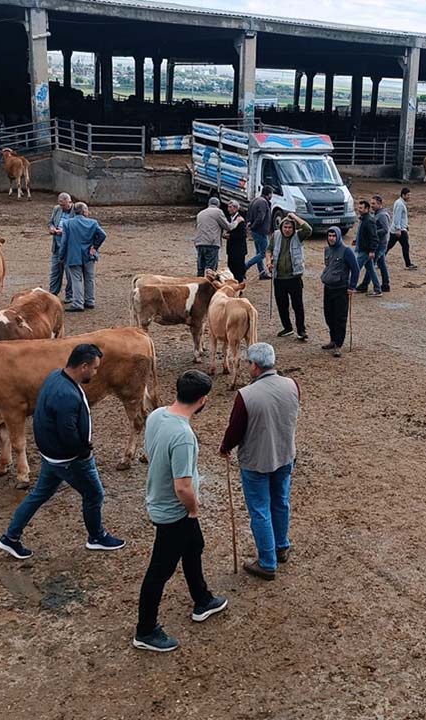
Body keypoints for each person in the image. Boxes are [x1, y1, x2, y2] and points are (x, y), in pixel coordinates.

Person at [0, 344, 124, 559]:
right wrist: (83, 452)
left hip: (51, 456)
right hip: (69, 459)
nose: (95, 372)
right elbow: (68, 432)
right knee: (94, 494)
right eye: (94, 368)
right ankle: (97, 537)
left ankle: (10, 537)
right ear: (83, 367)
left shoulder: (55, 376)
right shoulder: (67, 395)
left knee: (39, 495)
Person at [135, 370, 228, 653]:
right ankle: (145, 630)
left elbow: (150, 452)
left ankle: (203, 599)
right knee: (160, 570)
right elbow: (183, 486)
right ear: (202, 400)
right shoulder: (184, 436)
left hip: (162, 501)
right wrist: (194, 509)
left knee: (194, 546)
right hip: (174, 511)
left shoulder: (157, 415)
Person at [219, 342, 301, 579]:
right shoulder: (292, 385)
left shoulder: (246, 395)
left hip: (256, 461)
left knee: (260, 510)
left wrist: (225, 447)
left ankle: (267, 562)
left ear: (255, 366)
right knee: (281, 501)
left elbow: (235, 430)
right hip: (285, 455)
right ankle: (281, 546)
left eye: (248, 363)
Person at [266, 212, 311, 341]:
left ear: (293, 228)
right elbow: (268, 249)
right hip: (279, 277)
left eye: (290, 227)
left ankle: (301, 330)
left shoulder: (298, 236)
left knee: (298, 305)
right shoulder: (276, 235)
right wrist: (268, 261)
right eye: (285, 227)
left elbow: (308, 229)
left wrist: (294, 216)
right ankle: (287, 327)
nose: (287, 230)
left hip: (294, 277)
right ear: (281, 227)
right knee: (282, 305)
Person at [318, 225, 359, 356]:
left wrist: (352, 286)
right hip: (328, 287)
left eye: (334, 236)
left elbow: (355, 269)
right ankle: (333, 340)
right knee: (329, 316)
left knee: (340, 318)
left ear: (338, 236)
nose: (331, 238)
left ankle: (338, 345)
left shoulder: (346, 251)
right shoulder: (327, 250)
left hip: (341, 289)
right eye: (329, 236)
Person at [60, 202, 106, 312]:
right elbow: (103, 235)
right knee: (89, 278)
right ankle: (90, 300)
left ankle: (78, 303)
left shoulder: (67, 223)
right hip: (89, 255)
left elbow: (64, 242)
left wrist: (61, 255)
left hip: (73, 255)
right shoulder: (93, 223)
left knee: (76, 279)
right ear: (84, 211)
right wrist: (95, 247)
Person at [195, 196, 241, 277]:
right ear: (218, 205)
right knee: (211, 269)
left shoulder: (200, 213)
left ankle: (199, 282)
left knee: (201, 268)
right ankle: (209, 284)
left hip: (199, 243)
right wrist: (237, 221)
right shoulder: (217, 212)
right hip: (211, 243)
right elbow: (228, 227)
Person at [47, 192, 75, 301]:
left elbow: (78, 227)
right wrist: (51, 228)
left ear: (70, 202)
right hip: (57, 246)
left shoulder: (76, 210)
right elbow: (50, 222)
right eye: (60, 204)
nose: (62, 207)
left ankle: (70, 295)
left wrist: (64, 232)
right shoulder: (57, 209)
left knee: (70, 273)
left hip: (69, 248)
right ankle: (53, 293)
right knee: (55, 271)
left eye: (64, 205)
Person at [353, 198, 383, 296]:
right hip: (365, 249)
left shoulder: (368, 221)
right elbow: (364, 234)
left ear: (366, 209)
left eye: (361, 208)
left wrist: (372, 250)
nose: (359, 209)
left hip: (365, 251)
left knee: (355, 268)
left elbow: (374, 237)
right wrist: (357, 240)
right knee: (371, 270)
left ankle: (350, 287)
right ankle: (377, 289)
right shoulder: (364, 220)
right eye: (358, 207)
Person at [244, 186, 273, 280]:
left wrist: (250, 225)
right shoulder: (263, 202)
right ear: (269, 194)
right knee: (264, 253)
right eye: (271, 194)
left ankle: (262, 273)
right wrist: (253, 226)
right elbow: (261, 218)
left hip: (255, 231)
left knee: (259, 252)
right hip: (260, 231)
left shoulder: (254, 200)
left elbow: (248, 214)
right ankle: (245, 266)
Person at [387, 186, 417, 269]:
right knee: (405, 246)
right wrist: (398, 228)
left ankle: (378, 260)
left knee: (389, 246)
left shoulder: (399, 202)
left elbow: (400, 217)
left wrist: (405, 225)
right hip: (399, 230)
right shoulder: (400, 204)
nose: (409, 197)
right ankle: (408, 264)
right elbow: (397, 217)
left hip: (398, 229)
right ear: (403, 195)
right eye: (408, 195)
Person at [371, 194, 393, 293]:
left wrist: (373, 233)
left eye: (373, 204)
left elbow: (385, 229)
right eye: (371, 203)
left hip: (380, 243)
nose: (372, 206)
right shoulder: (378, 214)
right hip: (380, 243)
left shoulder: (382, 215)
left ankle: (365, 284)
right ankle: (385, 284)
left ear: (379, 204)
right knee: (382, 264)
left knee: (371, 265)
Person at [224, 200, 248, 282]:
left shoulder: (240, 219)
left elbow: (243, 234)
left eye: (231, 207)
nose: (229, 209)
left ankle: (239, 284)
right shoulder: (229, 219)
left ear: (236, 208)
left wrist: (230, 236)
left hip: (239, 249)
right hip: (231, 249)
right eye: (228, 207)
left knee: (238, 270)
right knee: (231, 268)